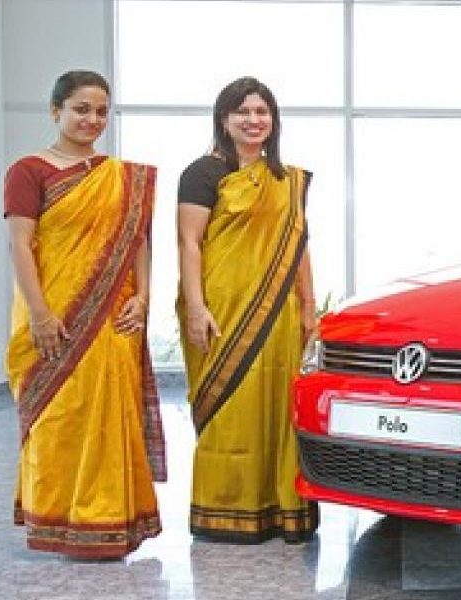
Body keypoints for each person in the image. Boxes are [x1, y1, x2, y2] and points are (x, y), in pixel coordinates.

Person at [4, 70, 165, 559]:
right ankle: (57, 518)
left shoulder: (121, 177)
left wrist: (144, 297)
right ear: (56, 111)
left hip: (114, 318)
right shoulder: (28, 170)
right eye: (80, 109)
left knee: (110, 417)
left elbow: (138, 241)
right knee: (58, 417)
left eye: (100, 111)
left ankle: (109, 520)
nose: (91, 120)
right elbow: (19, 245)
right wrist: (39, 315)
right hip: (53, 314)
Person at [176, 76, 319, 543]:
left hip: (279, 312)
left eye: (261, 112)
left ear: (273, 120)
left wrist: (309, 307)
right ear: (224, 119)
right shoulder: (203, 172)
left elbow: (298, 246)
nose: (253, 120)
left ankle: (281, 509)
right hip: (222, 309)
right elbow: (189, 243)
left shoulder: (286, 180)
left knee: (279, 407)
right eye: (242, 111)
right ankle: (226, 506)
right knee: (229, 406)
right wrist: (195, 308)